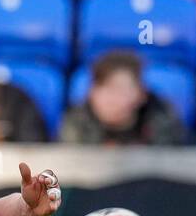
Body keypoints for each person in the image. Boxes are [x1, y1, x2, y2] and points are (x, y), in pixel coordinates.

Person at [59, 50, 187, 146]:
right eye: (104, 88)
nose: (111, 99)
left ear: (141, 94)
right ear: (92, 93)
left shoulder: (162, 119)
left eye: (121, 89)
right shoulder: (77, 124)